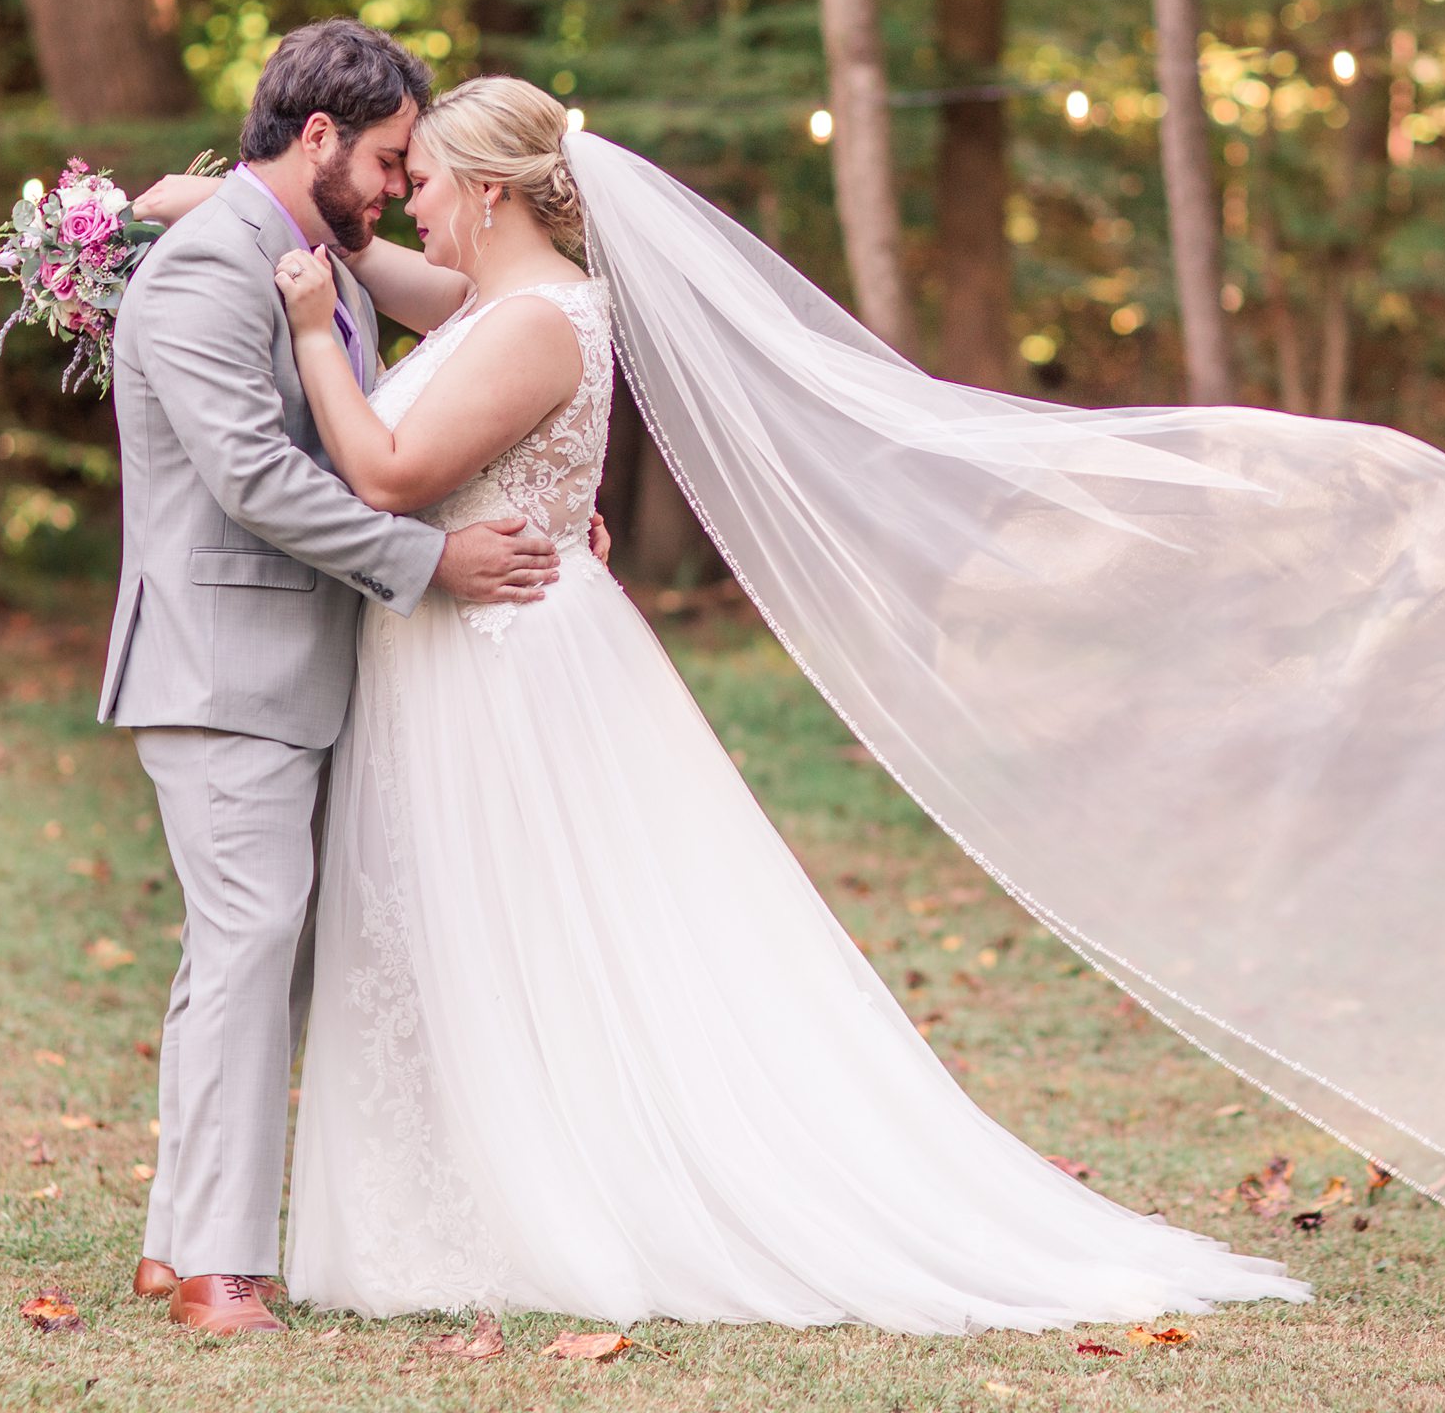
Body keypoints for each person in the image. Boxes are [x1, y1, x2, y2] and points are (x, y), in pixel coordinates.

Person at [272, 75, 1311, 1330]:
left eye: (423, 181)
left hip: (500, 665)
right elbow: (407, 281)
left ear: (487, 191)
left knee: (547, 941)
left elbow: (384, 471)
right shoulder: (515, 300)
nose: (402, 202)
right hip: (470, 650)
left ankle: (584, 1192)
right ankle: (489, 1184)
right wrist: (273, 218)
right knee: (502, 945)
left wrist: (316, 333)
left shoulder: (535, 322)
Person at [102, 22, 589, 1335]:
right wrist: (430, 559)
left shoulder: (309, 261)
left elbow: (428, 407)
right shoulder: (211, 275)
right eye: (383, 158)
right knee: (253, 941)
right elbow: (256, 481)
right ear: (316, 136)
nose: (391, 188)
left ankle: (176, 1240)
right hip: (223, 669)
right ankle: (217, 1270)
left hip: (296, 665)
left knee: (243, 952)